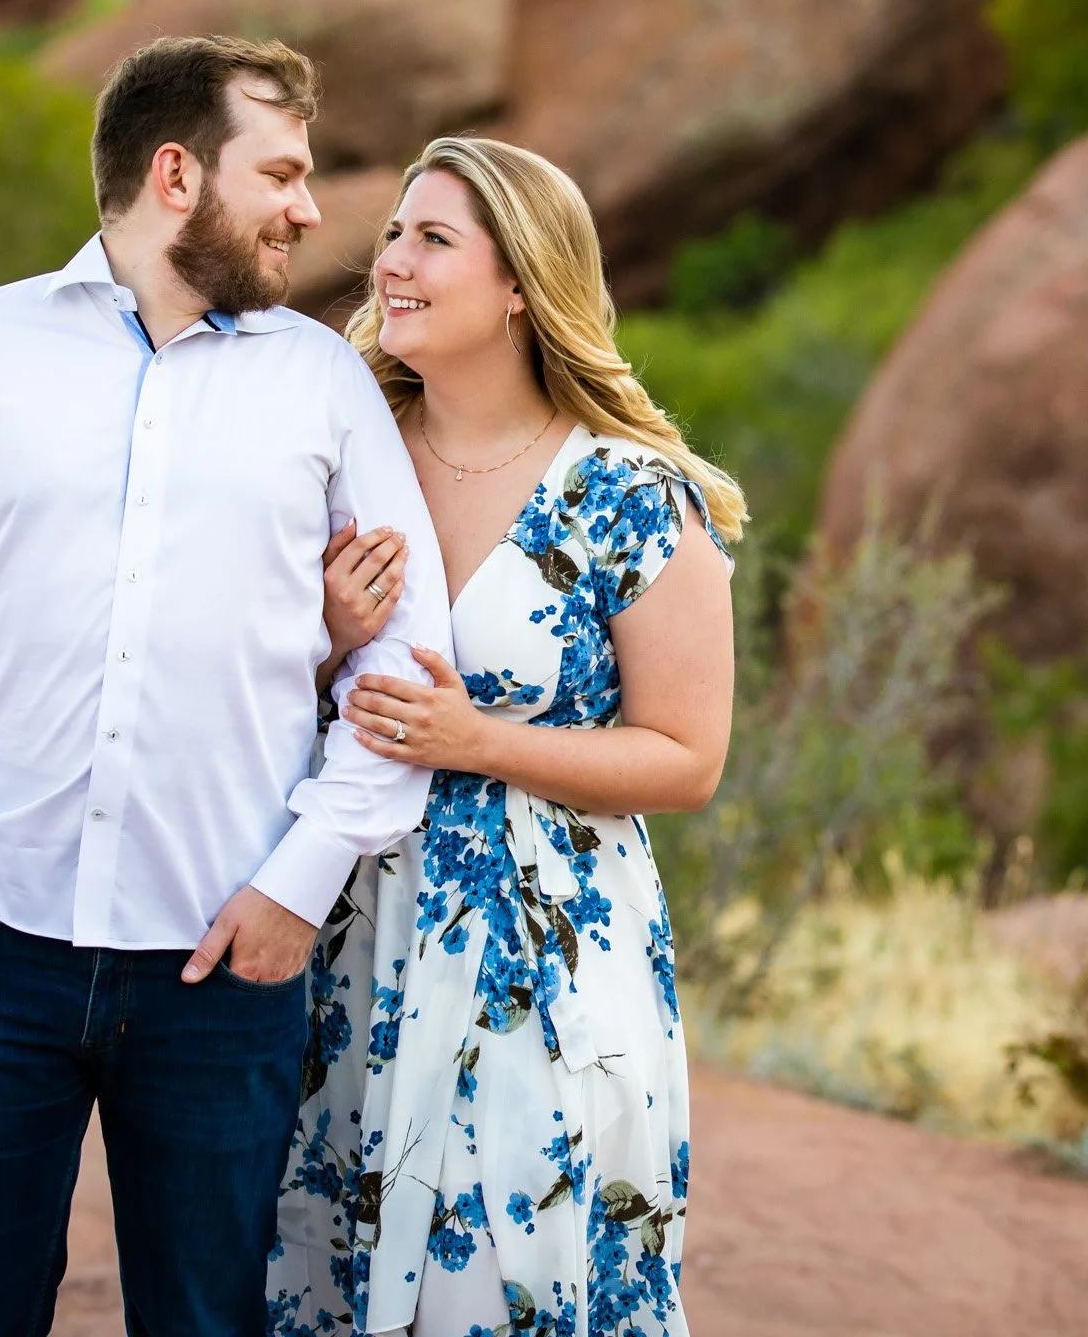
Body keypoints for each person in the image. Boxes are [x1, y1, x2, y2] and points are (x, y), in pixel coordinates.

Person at [0, 34, 451, 1336]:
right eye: (281, 173)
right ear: (176, 174)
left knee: (206, 1323)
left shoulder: (320, 382)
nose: (311, 210)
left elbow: (405, 657)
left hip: (228, 970)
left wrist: (301, 878)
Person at [271, 137, 742, 1337]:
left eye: (434, 238)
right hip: (343, 945)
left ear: (524, 282)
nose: (393, 262)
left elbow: (687, 758)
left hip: (545, 964)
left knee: (509, 1290)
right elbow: (252, 694)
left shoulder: (631, 494)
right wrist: (328, 635)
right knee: (323, 1273)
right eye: (391, 236)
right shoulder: (340, 456)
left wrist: (477, 738)